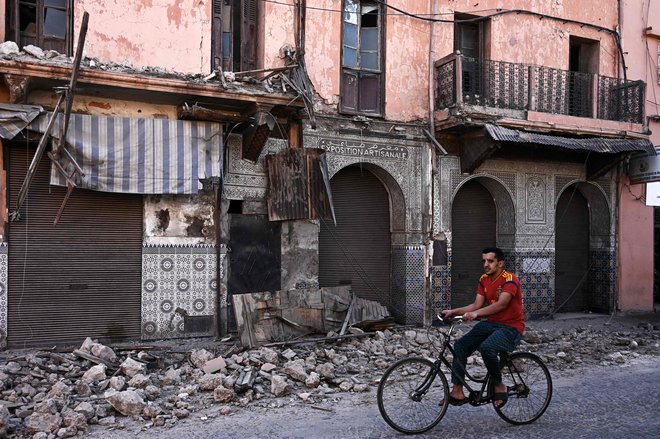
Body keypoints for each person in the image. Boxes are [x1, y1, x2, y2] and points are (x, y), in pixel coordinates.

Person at [440, 247, 524, 408]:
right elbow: (475, 305)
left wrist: (476, 314)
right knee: (460, 346)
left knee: (487, 348)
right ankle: (457, 390)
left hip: (511, 327)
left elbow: (502, 304)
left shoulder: (510, 279)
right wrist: (452, 311)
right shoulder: (484, 279)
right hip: (491, 324)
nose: (486, 264)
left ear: (500, 263)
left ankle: (499, 386)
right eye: (484, 261)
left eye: (490, 261)